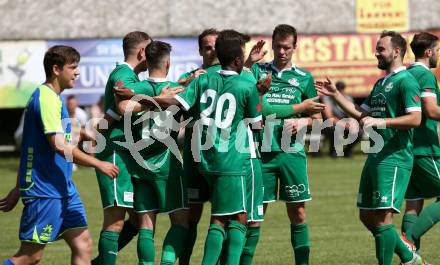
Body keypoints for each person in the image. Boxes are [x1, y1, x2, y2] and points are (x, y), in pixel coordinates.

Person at [0, 45, 119, 265]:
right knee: (31, 255)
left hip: (63, 188)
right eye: (73, 67)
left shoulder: (54, 98)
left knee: (83, 244)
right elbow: (57, 144)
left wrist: (86, 134)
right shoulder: (45, 98)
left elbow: (36, 145)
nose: (77, 73)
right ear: (56, 69)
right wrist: (97, 163)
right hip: (45, 190)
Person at [316, 31, 424, 265]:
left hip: (395, 158)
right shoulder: (381, 82)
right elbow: (363, 113)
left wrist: (381, 122)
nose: (376, 52)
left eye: (381, 48)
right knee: (367, 215)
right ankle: (409, 257)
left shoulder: (407, 81)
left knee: (384, 218)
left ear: (397, 52)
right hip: (376, 156)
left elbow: (415, 119)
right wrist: (335, 95)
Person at [248, 24, 323, 265]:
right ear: (272, 44)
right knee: (254, 217)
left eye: (287, 47)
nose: (282, 52)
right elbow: (243, 93)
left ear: (294, 47)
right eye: (278, 47)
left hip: (291, 153)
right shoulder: (257, 71)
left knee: (298, 213)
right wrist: (250, 63)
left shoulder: (304, 78)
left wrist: (303, 124)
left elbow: (318, 119)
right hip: (262, 153)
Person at [117, 40, 190, 265]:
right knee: (181, 223)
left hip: (141, 167)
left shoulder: (136, 89)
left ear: (146, 61)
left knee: (146, 227)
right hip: (168, 167)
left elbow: (121, 108)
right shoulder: (178, 91)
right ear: (167, 63)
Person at [93, 31, 151, 265]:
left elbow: (113, 114)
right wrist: (155, 102)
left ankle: (99, 263)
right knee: (115, 219)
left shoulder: (131, 77)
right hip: (115, 153)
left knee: (138, 219)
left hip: (126, 153)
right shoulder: (123, 74)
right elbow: (124, 106)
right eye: (151, 49)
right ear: (142, 52)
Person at [401, 32, 440, 253]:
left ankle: (411, 258)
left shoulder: (405, 74)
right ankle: (409, 241)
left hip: (406, 148)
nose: (438, 55)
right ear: (429, 52)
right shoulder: (424, 75)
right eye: (438, 51)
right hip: (424, 148)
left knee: (413, 204)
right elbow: (431, 110)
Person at [321, 80, 361, 157]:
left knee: (359, 132)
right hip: (330, 124)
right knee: (335, 129)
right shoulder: (327, 98)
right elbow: (329, 117)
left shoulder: (348, 98)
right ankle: (334, 151)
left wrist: (352, 124)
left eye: (342, 89)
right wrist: (344, 125)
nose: (341, 91)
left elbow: (352, 114)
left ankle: (347, 151)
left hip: (345, 123)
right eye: (339, 89)